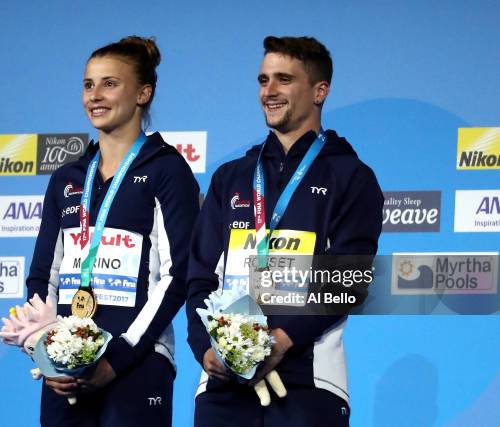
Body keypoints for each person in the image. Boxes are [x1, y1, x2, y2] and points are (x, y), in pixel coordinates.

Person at [186, 36, 383, 426]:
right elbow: (200, 275)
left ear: (319, 91)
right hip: (223, 385)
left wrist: (282, 340)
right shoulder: (232, 177)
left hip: (309, 383)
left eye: (283, 80)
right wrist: (204, 348)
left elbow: (350, 277)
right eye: (263, 80)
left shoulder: (351, 176)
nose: (269, 91)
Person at [26, 36, 200, 427]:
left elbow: (178, 275)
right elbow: (43, 276)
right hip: (65, 370)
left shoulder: (166, 170)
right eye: (88, 84)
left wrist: (116, 357)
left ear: (143, 92)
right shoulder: (67, 180)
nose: (95, 96)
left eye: (109, 83)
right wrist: (48, 351)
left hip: (136, 362)